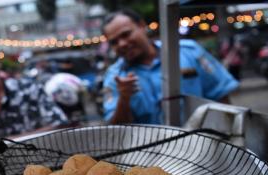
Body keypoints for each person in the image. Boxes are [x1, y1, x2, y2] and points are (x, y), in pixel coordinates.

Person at [101, 10, 239, 124]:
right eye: (114, 42)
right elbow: (116, 131)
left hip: (205, 148)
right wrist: (124, 99)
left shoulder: (188, 52)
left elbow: (220, 97)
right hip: (151, 155)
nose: (122, 44)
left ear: (142, 26)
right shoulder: (114, 78)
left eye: (126, 34)